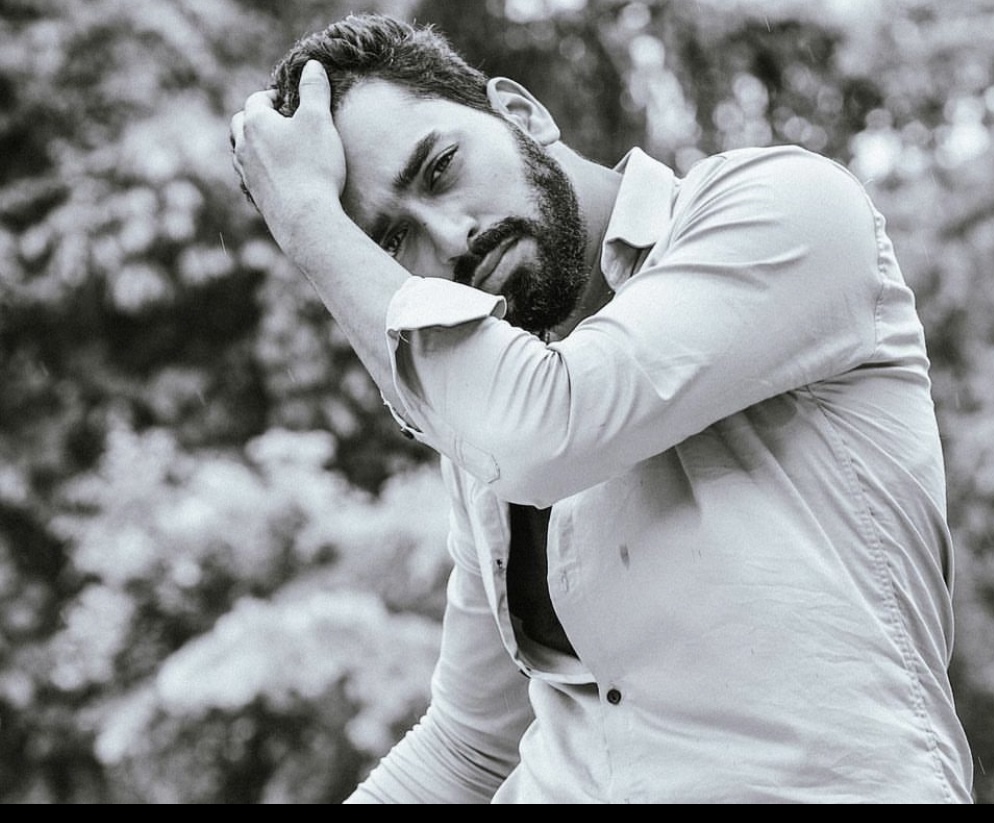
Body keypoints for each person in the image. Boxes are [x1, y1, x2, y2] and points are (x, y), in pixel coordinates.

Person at [229, 12, 975, 804]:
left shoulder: (784, 207)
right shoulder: (480, 403)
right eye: (390, 244)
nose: (450, 239)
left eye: (441, 168)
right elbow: (466, 748)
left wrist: (308, 220)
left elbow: (548, 429)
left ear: (522, 114)